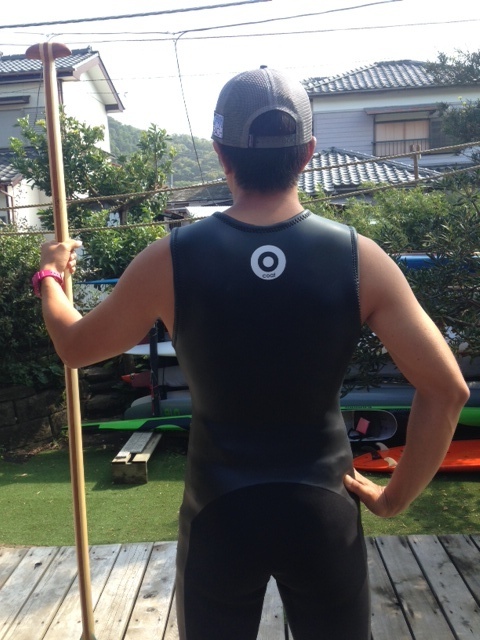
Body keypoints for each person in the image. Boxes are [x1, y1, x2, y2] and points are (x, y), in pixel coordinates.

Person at [35, 67, 469, 640]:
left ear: (220, 154)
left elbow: (74, 346)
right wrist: (393, 499)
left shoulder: (170, 259)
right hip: (323, 511)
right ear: (308, 153)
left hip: (219, 514)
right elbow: (446, 389)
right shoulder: (359, 258)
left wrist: (49, 276)